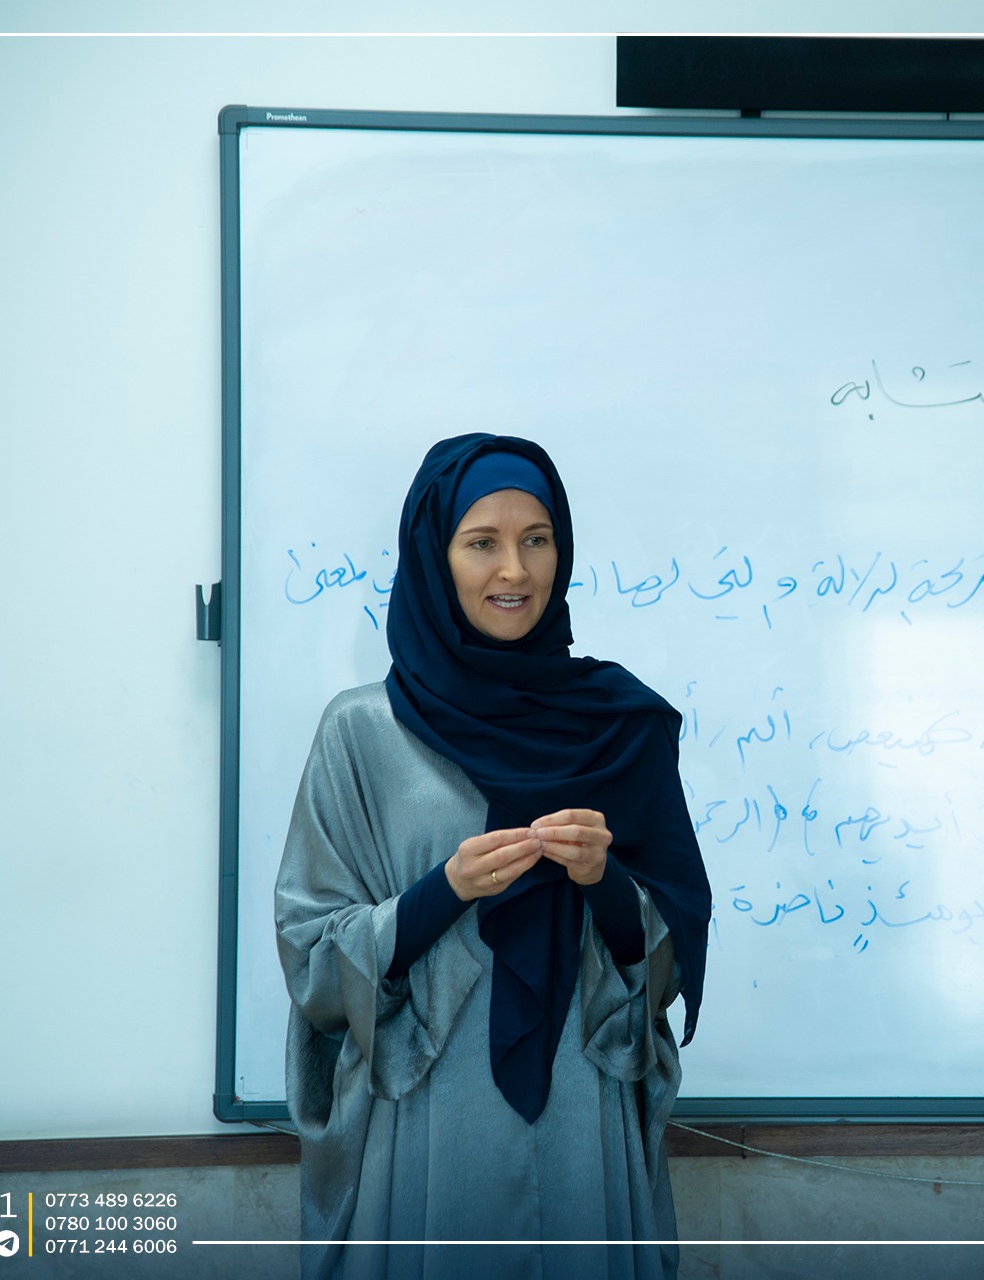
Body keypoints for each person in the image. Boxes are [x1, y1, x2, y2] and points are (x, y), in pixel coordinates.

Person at [275, 433, 711, 1280]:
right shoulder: (360, 733)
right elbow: (312, 954)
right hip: (430, 1117)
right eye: (482, 543)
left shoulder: (621, 727)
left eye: (536, 539)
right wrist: (443, 891)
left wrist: (605, 882)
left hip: (582, 1107)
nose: (515, 570)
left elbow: (667, 955)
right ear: (435, 559)